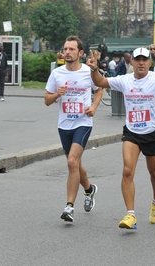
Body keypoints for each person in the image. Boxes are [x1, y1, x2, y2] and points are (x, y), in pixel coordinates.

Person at [87, 47, 155, 229]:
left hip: (153, 132)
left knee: (154, 173)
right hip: (132, 132)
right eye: (138, 59)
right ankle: (130, 215)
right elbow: (101, 81)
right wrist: (93, 69)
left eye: (145, 59)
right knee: (128, 171)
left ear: (150, 62)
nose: (141, 63)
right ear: (132, 62)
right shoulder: (124, 80)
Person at [44, 35, 103, 223]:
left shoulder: (88, 71)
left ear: (81, 53)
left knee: (71, 162)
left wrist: (93, 107)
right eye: (65, 49)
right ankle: (89, 189)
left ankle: (69, 207)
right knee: (75, 164)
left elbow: (99, 88)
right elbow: (46, 100)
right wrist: (56, 95)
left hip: (83, 122)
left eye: (71, 49)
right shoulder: (57, 73)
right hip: (64, 124)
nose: (67, 52)